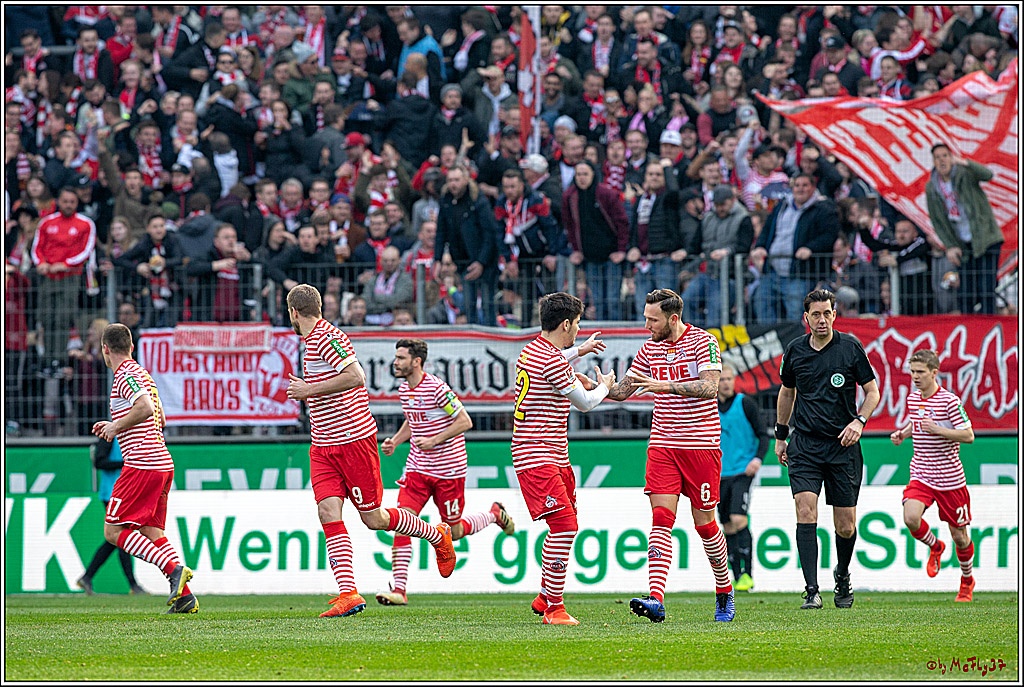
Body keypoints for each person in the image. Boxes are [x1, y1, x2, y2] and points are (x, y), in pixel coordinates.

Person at [283, 284, 457, 618]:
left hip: (352, 441)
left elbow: (356, 376)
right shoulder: (310, 342)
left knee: (373, 518)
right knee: (327, 512)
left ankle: (436, 534)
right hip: (322, 445)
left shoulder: (326, 337)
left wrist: (309, 389)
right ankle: (348, 593)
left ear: (294, 312)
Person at [604, 289, 734, 623]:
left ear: (673, 319)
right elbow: (625, 390)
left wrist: (663, 385)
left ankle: (724, 590)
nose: (646, 324)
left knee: (705, 525)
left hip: (701, 446)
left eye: (652, 319)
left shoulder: (704, 342)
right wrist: (598, 386)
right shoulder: (649, 348)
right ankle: (656, 599)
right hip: (663, 445)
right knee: (662, 519)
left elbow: (709, 387)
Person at [378, 339, 516, 605]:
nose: (395, 362)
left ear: (416, 361)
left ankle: (493, 514)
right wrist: (396, 440)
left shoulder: (437, 389)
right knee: (402, 523)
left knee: (453, 533)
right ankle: (399, 590)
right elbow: (413, 419)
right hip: (417, 470)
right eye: (395, 357)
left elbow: (465, 421)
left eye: (401, 358)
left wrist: (434, 440)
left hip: (449, 471)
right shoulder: (405, 389)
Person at [774, 289, 880, 610]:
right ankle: (811, 590)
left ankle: (843, 574)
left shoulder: (850, 348)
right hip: (805, 445)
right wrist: (781, 436)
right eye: (815, 315)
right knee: (805, 509)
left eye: (827, 314)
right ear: (806, 318)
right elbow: (786, 394)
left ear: (835, 315)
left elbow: (872, 392)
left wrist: (859, 421)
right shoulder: (794, 351)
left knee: (845, 524)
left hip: (843, 447)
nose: (822, 320)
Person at [514, 293, 615, 625]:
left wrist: (578, 351)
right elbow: (585, 403)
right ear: (567, 324)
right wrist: (604, 386)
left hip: (553, 454)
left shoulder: (534, 349)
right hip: (538, 455)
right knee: (564, 526)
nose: (579, 330)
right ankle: (555, 609)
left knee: (565, 524)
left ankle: (545, 596)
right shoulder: (552, 361)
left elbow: (553, 363)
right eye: (578, 324)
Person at [90, 323, 197, 614]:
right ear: (132, 346)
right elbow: (159, 419)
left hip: (141, 463)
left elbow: (146, 408)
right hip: (162, 462)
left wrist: (116, 426)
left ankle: (174, 570)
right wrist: (120, 425)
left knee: (113, 531)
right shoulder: (143, 375)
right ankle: (185, 597)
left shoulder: (124, 374)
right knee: (151, 532)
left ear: (105, 349)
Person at [891, 349, 977, 602]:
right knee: (911, 518)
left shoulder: (950, 401)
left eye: (920, 372)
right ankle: (935, 546)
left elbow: (968, 435)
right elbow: (916, 422)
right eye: (912, 372)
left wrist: (938, 430)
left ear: (934, 373)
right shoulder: (913, 399)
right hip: (922, 474)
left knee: (960, 537)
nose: (915, 377)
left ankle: (966, 581)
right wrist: (904, 433)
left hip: (950, 480)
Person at [924, 144, 1004, 315]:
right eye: (937, 157)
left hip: (985, 238)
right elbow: (938, 221)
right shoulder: (932, 187)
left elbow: (987, 175)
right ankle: (969, 329)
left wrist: (964, 162)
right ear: (933, 162)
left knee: (986, 288)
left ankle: (988, 327)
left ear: (951, 157)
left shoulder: (964, 174)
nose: (942, 160)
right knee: (966, 290)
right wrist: (950, 245)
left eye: (945, 155)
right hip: (963, 243)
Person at [716, 364, 769, 592]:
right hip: (717, 473)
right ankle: (736, 576)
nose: (725, 383)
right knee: (726, 524)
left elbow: (763, 435)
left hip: (742, 471)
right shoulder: (708, 407)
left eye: (729, 379)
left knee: (739, 518)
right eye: (722, 379)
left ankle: (747, 574)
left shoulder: (745, 404)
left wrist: (757, 459)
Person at [31, 187, 97, 368]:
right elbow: (37, 247)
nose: (68, 205)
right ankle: (45, 359)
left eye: (72, 202)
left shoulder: (85, 223)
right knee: (46, 317)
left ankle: (58, 359)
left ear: (77, 203)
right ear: (59, 201)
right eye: (65, 201)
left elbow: (86, 250)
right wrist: (41, 263)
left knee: (62, 317)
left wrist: (67, 264)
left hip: (70, 276)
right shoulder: (46, 222)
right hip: (48, 276)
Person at [76, 437, 146, 595]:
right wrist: (125, 463)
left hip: (125, 495)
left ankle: (87, 577)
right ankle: (133, 585)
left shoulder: (133, 435)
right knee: (121, 537)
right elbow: (99, 462)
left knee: (116, 538)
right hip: (112, 494)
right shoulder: (110, 436)